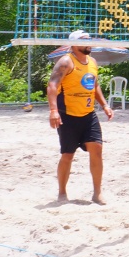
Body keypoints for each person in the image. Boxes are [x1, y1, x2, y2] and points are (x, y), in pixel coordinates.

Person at [47, 29, 114, 204]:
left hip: (88, 114)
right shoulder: (66, 62)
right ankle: (62, 193)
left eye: (89, 39)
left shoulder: (92, 62)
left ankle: (97, 193)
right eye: (85, 40)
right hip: (68, 116)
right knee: (68, 155)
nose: (89, 42)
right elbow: (53, 85)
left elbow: (94, 85)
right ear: (74, 44)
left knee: (97, 149)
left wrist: (105, 105)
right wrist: (53, 111)